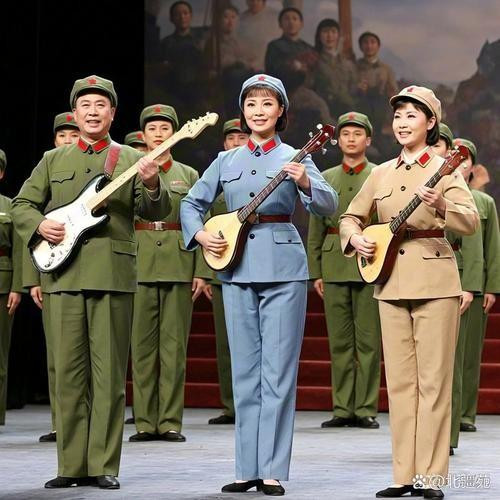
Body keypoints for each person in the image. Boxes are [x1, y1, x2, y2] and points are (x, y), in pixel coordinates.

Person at [181, 73, 337, 496]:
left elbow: (329, 204)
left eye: (267, 103)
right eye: (251, 104)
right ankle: (245, 468)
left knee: (278, 373)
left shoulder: (296, 155)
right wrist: (200, 235)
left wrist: (305, 181)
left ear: (281, 111)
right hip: (234, 268)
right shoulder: (225, 160)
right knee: (245, 372)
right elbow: (191, 203)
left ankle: (271, 469)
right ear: (243, 111)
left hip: (284, 269)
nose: (258, 111)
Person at [12, 75, 170, 490]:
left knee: (109, 376)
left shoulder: (130, 157)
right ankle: (70, 465)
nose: (93, 112)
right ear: (75, 113)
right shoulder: (53, 159)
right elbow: (23, 204)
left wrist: (152, 182)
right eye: (86, 105)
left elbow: (154, 209)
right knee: (67, 376)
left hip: (112, 276)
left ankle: (103, 464)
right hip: (62, 276)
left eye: (101, 105)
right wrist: (39, 224)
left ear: (112, 113)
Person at [339, 86, 478, 500]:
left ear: (431, 123)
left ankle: (431, 477)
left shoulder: (445, 168)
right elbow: (350, 216)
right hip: (390, 281)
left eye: (412, 115)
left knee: (434, 383)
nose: (402, 123)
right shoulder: (381, 172)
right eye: (398, 115)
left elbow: (470, 220)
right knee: (399, 385)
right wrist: (355, 238)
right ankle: (403, 475)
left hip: (435, 281)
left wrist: (441, 206)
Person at [129, 104, 210, 443]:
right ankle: (145, 422)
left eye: (165, 128)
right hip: (138, 263)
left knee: (174, 348)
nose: (159, 133)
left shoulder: (188, 174)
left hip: (179, 262)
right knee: (142, 348)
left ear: (176, 134)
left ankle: (170, 421)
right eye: (153, 128)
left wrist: (202, 270)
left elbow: (201, 221)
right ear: (143, 135)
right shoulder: (130, 170)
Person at [307, 111, 381, 430]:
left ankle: (365, 408)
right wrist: (316, 271)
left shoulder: (380, 174)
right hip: (334, 263)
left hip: (370, 260)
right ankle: (341, 407)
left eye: (357, 133)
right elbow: (316, 227)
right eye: (346, 134)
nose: (351, 139)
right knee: (338, 341)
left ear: (368, 140)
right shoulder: (326, 176)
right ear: (337, 141)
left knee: (368, 341)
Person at [24, 112, 81, 443]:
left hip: (89, 268)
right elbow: (28, 233)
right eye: (63, 135)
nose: (68, 140)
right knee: (58, 354)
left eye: (73, 134)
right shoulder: (48, 169)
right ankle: (60, 422)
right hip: (52, 269)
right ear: (55, 139)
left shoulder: (97, 168)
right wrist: (32, 279)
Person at [431, 125, 483, 456]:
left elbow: (475, 247)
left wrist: (470, 288)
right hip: (416, 276)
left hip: (453, 277)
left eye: (439, 146)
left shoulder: (463, 193)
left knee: (449, 361)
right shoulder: (404, 178)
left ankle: (446, 436)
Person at [452, 138, 500, 435]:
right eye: (454, 158)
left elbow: (492, 248)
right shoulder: (435, 196)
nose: (459, 164)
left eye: (465, 159)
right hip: (443, 276)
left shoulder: (484, 202)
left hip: (474, 283)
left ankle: (466, 413)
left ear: (472, 166)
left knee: (469, 353)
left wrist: (491, 288)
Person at [204, 118, 249, 426]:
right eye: (231, 138)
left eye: (241, 138)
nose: (235, 142)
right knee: (225, 343)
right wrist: (205, 272)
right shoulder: (217, 181)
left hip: (252, 263)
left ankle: (248, 405)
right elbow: (202, 223)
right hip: (221, 268)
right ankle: (230, 405)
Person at [0, 149, 22, 427]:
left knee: (0, 352)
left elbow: (18, 250)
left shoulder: (10, 206)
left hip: (2, 282)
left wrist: (17, 287)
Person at [159, 1, 208, 111]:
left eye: (185, 13)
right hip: (174, 84)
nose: (182, 17)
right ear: (172, 18)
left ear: (191, 16)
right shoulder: (166, 42)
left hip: (198, 83)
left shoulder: (202, 38)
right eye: (177, 14)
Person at [355, 32, 397, 141]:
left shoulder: (386, 69)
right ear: (361, 46)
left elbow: (393, 93)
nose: (369, 46)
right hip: (361, 107)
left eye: (372, 42)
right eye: (365, 42)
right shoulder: (354, 67)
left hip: (382, 110)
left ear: (378, 46)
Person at [313, 19, 357, 116]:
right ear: (319, 36)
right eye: (325, 31)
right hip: (324, 111)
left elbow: (353, 88)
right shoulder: (314, 61)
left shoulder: (348, 64)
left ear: (338, 36)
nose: (329, 36)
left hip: (348, 110)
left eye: (333, 31)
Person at [265, 8, 316, 84]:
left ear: (301, 24)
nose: (291, 22)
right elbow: (271, 71)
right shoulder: (274, 46)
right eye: (286, 19)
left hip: (305, 87)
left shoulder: (308, 48)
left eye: (294, 19)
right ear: (280, 24)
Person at [238, 0, 280, 71]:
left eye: (258, 0)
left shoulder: (275, 17)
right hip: (246, 63)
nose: (254, 3)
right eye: (251, 0)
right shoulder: (240, 19)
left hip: (269, 62)